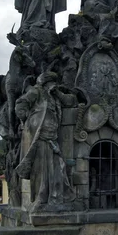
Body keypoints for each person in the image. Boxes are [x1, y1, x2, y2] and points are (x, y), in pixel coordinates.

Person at [14, 72, 76, 212]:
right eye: (50, 83)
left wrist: (57, 93)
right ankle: (41, 200)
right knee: (41, 171)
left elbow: (70, 101)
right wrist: (27, 121)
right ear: (44, 82)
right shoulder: (36, 92)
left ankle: (55, 199)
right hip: (40, 137)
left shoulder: (54, 96)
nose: (52, 86)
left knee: (58, 168)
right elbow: (20, 104)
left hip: (52, 138)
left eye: (54, 83)